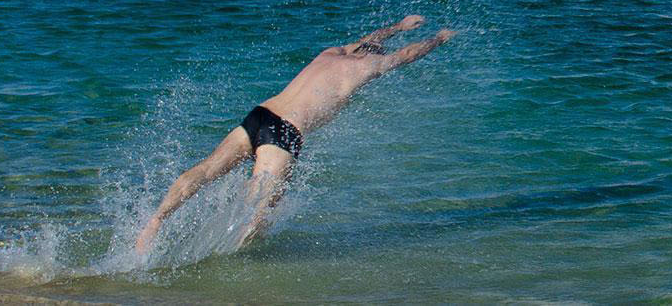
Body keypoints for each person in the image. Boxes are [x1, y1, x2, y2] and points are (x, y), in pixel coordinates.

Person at [134, 15, 455, 254]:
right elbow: (407, 55)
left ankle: (156, 221)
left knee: (206, 170)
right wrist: (438, 39)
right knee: (260, 213)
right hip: (284, 133)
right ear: (375, 53)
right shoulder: (368, 67)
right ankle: (235, 264)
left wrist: (398, 26)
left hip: (260, 115)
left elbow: (366, 39)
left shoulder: (333, 53)